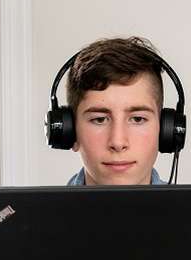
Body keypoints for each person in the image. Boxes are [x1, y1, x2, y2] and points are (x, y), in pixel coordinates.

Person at [62, 37, 169, 186]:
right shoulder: (37, 210)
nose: (118, 143)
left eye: (137, 119)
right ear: (70, 131)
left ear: (165, 131)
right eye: (99, 120)